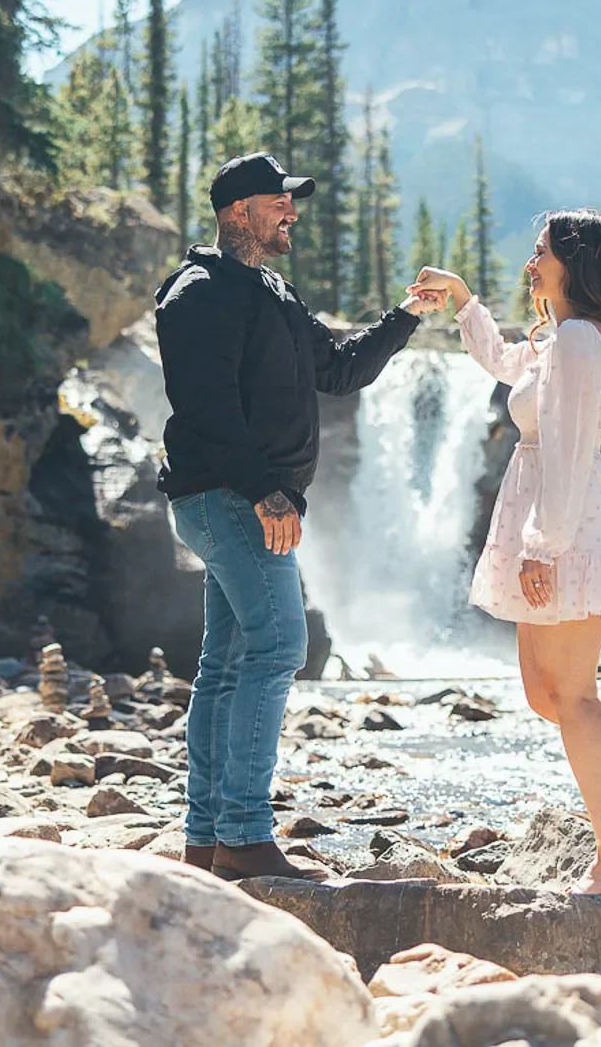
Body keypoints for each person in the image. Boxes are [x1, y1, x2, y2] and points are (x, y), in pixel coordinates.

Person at [411, 211, 601, 897]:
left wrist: (542, 544)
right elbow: (501, 362)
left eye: (541, 253)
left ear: (574, 264)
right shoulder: (560, 338)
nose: (531, 263)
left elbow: (574, 448)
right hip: (544, 520)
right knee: (549, 694)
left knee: (573, 696)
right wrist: (463, 299)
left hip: (568, 527)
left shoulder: (581, 340)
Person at [156, 152, 440, 881]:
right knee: (282, 642)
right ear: (236, 212)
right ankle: (246, 837)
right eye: (277, 201)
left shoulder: (270, 291)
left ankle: (208, 841)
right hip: (230, 497)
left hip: (241, 498)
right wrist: (265, 489)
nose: (291, 211)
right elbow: (207, 403)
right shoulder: (197, 291)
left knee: (225, 664)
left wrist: (407, 314)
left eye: (292, 202)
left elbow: (339, 369)